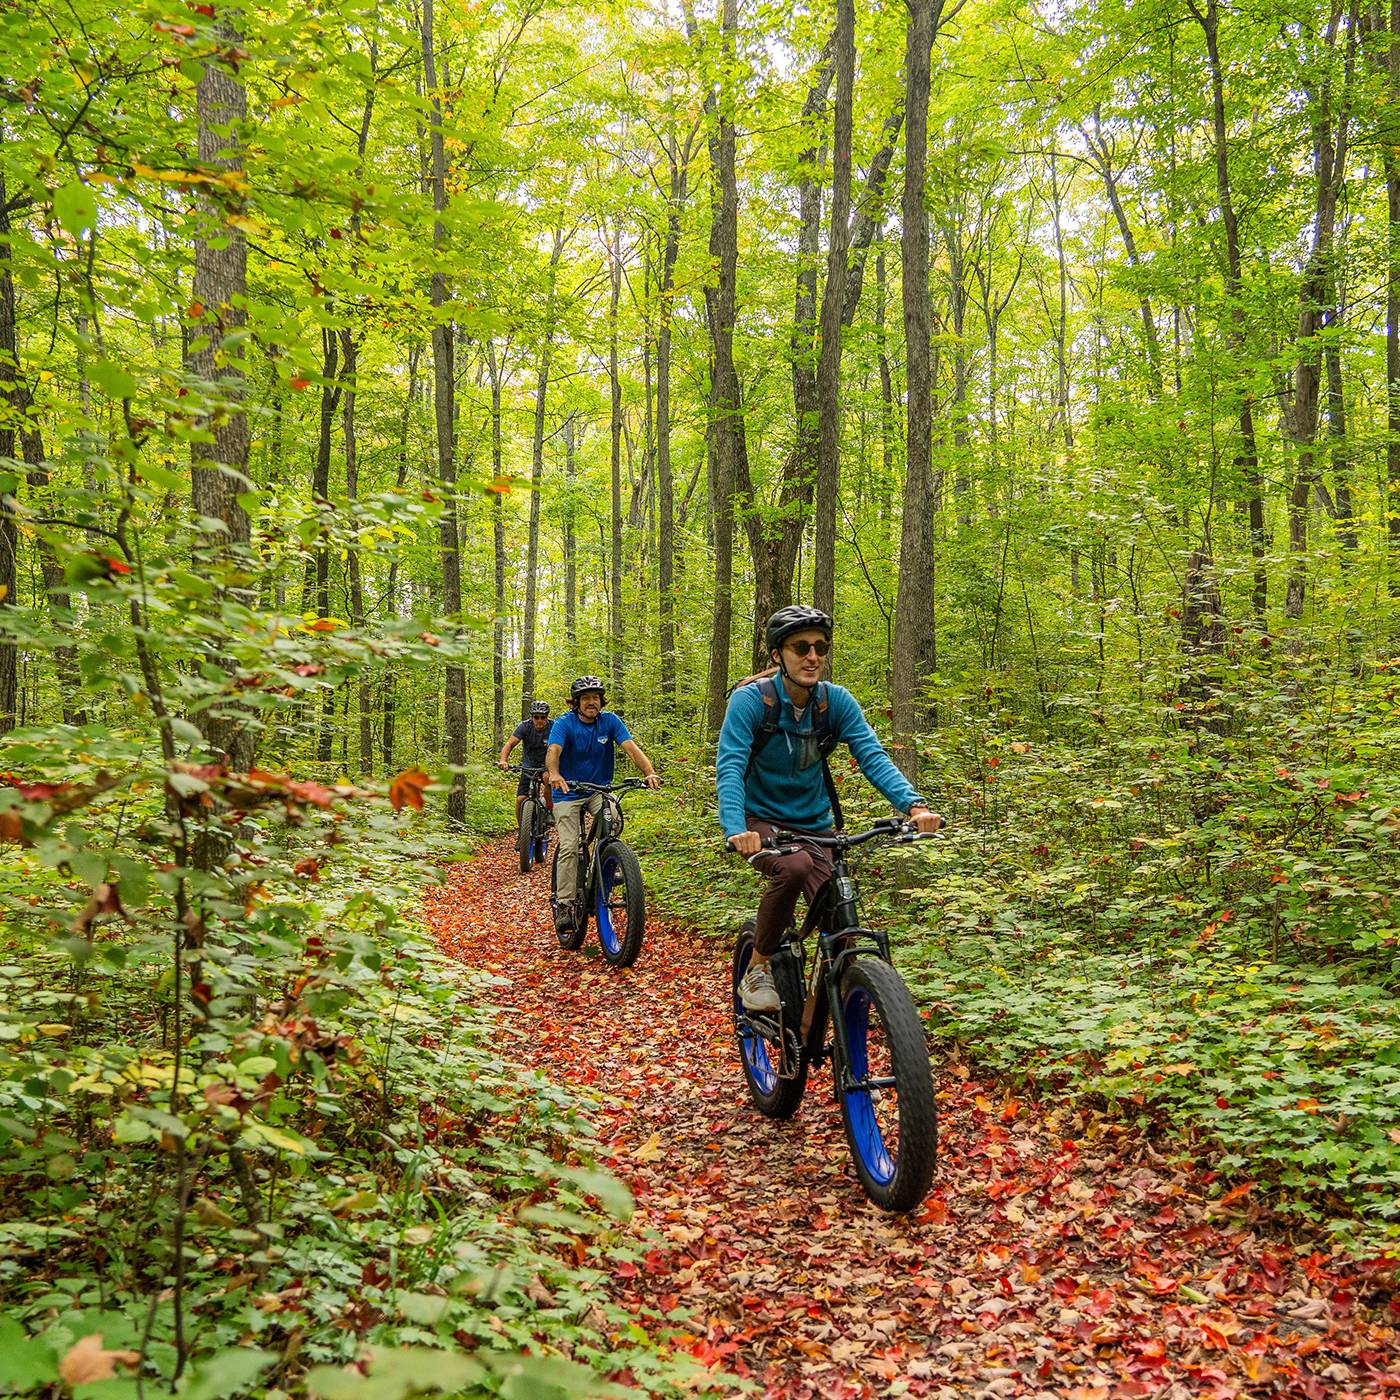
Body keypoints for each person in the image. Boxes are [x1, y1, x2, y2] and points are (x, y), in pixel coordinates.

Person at [717, 606, 943, 1012]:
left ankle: (821, 1022)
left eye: (820, 647)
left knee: (842, 935)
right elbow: (731, 765)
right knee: (794, 867)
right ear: (777, 655)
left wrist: (914, 805)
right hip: (761, 820)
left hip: (817, 825)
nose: (812, 656)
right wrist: (736, 828)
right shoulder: (751, 701)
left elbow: (872, 756)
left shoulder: (834, 702)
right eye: (801, 647)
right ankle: (759, 966)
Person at [545, 676, 662, 932]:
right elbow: (553, 750)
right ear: (576, 702)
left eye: (595, 698)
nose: (591, 702)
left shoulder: (609, 721)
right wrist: (554, 773)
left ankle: (608, 862)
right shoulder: (565, 723)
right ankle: (564, 904)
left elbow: (631, 748)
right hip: (568, 791)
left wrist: (649, 771)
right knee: (569, 845)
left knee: (614, 819)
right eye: (585, 698)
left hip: (598, 789)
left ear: (601, 701)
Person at [499, 701, 553, 825]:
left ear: (547, 717)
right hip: (529, 765)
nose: (539, 720)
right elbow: (510, 744)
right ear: (531, 717)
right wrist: (503, 760)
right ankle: (521, 831)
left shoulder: (553, 727)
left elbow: (563, 746)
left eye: (543, 717)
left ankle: (550, 809)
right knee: (520, 799)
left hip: (547, 764)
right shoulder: (524, 727)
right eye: (536, 717)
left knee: (547, 778)